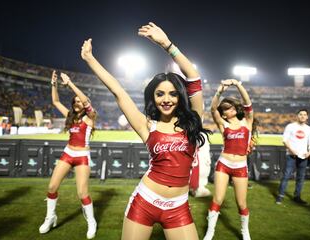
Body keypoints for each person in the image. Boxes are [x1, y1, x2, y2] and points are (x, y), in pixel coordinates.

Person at [81, 22, 210, 240]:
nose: (166, 99)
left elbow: (193, 77)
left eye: (172, 94)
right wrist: (90, 59)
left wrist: (167, 45)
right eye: (160, 94)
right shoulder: (146, 125)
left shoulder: (193, 121)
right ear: (153, 97)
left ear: (180, 97)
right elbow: (118, 91)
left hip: (178, 207)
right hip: (145, 202)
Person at [39, 71, 97, 239]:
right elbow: (55, 101)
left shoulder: (90, 117)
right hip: (68, 153)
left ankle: (91, 221)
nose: (78, 102)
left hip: (82, 156)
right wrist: (53, 84)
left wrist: (70, 83)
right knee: (51, 187)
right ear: (73, 103)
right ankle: (50, 217)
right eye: (76, 101)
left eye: (81, 101)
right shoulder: (69, 116)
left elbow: (86, 101)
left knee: (82, 193)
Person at [204, 79, 254, 240]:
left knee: (241, 203)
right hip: (223, 164)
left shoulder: (247, 122)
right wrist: (219, 91)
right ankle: (210, 232)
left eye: (230, 106)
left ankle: (245, 232)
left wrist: (237, 84)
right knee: (217, 199)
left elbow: (247, 103)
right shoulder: (223, 124)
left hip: (241, 166)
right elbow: (212, 108)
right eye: (225, 108)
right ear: (224, 113)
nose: (229, 109)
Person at [276, 109, 310, 205]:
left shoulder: (309, 129)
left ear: (307, 117)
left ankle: (297, 197)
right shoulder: (290, 126)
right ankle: (280, 196)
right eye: (300, 114)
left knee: (300, 178)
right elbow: (285, 140)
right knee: (286, 176)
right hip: (291, 155)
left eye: (304, 115)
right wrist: (291, 150)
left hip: (303, 156)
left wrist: (309, 152)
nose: (302, 116)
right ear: (297, 116)